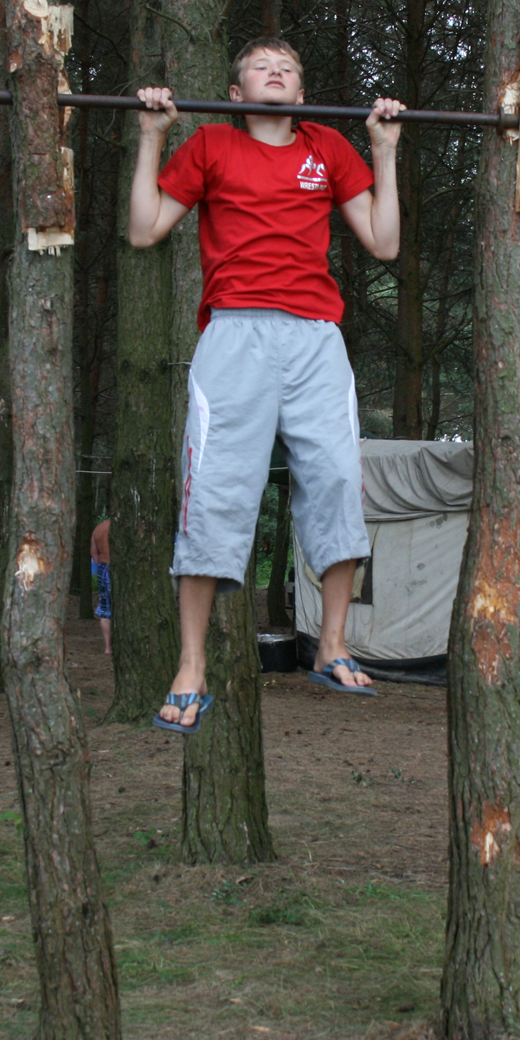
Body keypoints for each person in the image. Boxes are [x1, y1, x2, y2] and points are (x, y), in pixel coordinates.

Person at [128, 36, 403, 733]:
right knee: (214, 495)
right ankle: (191, 666)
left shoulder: (327, 148)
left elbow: (385, 242)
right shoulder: (212, 145)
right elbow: (145, 229)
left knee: (338, 480)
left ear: (301, 92)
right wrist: (152, 136)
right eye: (261, 66)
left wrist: (384, 150)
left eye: (288, 67)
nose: (276, 71)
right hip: (236, 335)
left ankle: (332, 644)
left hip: (315, 338)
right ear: (236, 93)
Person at [90, 518, 113, 654]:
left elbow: (94, 553)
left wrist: (101, 567)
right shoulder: (126, 526)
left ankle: (108, 647)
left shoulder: (99, 528)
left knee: (105, 609)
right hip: (122, 569)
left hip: (104, 568)